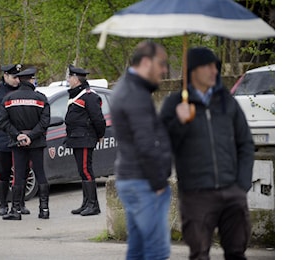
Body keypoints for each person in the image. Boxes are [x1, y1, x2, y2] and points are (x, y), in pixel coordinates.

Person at [160, 47, 255, 260]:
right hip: (196, 195)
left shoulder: (227, 102)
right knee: (199, 254)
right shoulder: (175, 104)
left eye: (216, 66)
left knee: (237, 253)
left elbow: (246, 144)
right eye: (208, 66)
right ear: (193, 71)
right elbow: (162, 145)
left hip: (232, 192)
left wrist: (242, 184)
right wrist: (179, 122)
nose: (214, 71)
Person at [109, 40, 172, 260]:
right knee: (156, 252)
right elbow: (145, 143)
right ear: (146, 62)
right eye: (161, 63)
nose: (164, 70)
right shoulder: (135, 94)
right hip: (144, 182)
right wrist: (158, 183)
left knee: (137, 250)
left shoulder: (129, 88)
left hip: (134, 179)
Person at [0, 67, 51, 220]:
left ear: (19, 80)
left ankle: (16, 211)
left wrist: (19, 135)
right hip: (37, 141)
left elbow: (1, 121)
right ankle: (44, 209)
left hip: (18, 142)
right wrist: (31, 136)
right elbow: (45, 122)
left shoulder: (8, 98)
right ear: (32, 80)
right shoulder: (41, 98)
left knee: (19, 175)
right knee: (40, 174)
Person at [0, 64, 30, 217]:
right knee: (3, 172)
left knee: (22, 172)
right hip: (3, 137)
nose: (17, 80)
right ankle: (3, 205)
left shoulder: (23, 90)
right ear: (5, 76)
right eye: (14, 77)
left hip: (21, 136)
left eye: (19, 77)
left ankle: (20, 204)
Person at [64, 64, 106, 216]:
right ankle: (86, 203)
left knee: (86, 171)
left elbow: (98, 118)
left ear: (76, 79)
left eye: (70, 77)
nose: (68, 80)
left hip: (85, 138)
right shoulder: (78, 94)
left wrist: (100, 134)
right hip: (77, 138)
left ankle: (93, 205)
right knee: (82, 172)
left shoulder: (89, 96)